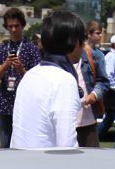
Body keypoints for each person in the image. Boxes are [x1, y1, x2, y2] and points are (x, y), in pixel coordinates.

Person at [11, 11, 86, 149]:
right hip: (48, 166)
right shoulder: (64, 81)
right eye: (83, 40)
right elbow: (67, 144)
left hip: (20, 162)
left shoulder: (30, 75)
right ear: (76, 42)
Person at [0, 8, 41, 147]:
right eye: (10, 26)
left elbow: (35, 79)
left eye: (16, 26)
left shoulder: (31, 48)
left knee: (24, 144)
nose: (13, 29)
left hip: (25, 103)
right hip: (5, 102)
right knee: (5, 144)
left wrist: (21, 69)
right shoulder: (2, 48)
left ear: (23, 25)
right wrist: (7, 63)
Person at [76, 20, 112, 147]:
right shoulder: (68, 53)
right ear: (88, 34)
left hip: (88, 112)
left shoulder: (97, 54)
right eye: (98, 33)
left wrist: (94, 94)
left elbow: (103, 81)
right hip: (70, 114)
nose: (100, 36)